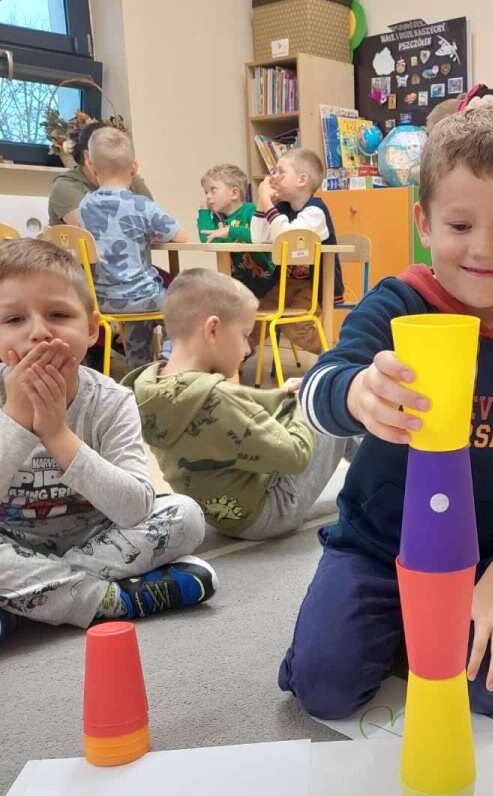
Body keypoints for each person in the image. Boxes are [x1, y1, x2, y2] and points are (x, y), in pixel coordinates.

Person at [279, 105, 493, 717]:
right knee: (325, 689)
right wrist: (357, 392)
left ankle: (418, 628)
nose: (482, 248)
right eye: (459, 224)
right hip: (375, 545)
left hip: (481, 560)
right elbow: (318, 390)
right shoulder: (396, 305)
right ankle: (379, 624)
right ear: (424, 222)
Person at [0, 238, 215, 642]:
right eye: (13, 320)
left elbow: (134, 509)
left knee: (185, 516)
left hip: (97, 540)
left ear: (91, 329)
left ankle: (26, 603)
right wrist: (14, 419)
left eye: (58, 314)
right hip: (11, 544)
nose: (39, 333)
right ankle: (110, 601)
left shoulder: (112, 401)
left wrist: (58, 435)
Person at [126, 269, 348, 541]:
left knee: (300, 404)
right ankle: (381, 476)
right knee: (330, 401)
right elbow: (295, 456)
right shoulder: (217, 399)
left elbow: (240, 403)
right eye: (245, 335)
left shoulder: (153, 387)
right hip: (272, 512)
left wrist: (284, 395)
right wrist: (302, 403)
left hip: (223, 516)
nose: (246, 349)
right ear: (213, 330)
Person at [78, 127, 187, 369]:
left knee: (138, 318)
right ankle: (168, 362)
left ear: (92, 167)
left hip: (102, 299)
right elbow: (181, 237)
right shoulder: (141, 205)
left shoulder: (85, 205)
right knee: (182, 306)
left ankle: (138, 372)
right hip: (142, 296)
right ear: (134, 168)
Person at [250, 148, 343, 364]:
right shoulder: (282, 208)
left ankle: (335, 356)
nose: (273, 176)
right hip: (285, 283)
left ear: (302, 180)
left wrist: (268, 203)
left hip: (313, 285)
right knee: (254, 314)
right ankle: (237, 358)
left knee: (296, 325)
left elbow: (287, 238)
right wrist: (263, 203)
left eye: (280, 172)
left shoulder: (315, 212)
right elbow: (258, 238)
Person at [48, 119, 154, 227]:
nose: (116, 159)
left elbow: (154, 222)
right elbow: (98, 231)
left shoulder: (129, 177)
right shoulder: (65, 186)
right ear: (88, 158)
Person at [197, 164, 275, 299]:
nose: (208, 196)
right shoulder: (219, 219)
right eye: (206, 192)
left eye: (213, 190)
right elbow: (209, 241)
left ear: (234, 193)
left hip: (266, 280)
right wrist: (204, 212)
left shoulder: (251, 211)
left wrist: (230, 231)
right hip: (237, 283)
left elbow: (259, 236)